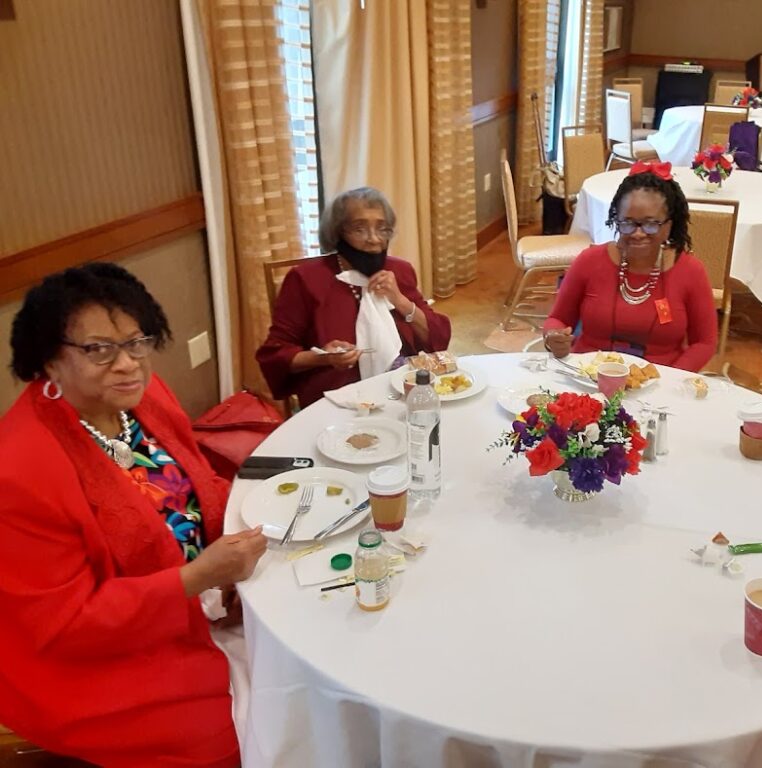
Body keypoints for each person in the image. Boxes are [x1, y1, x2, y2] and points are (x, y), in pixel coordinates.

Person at [0, 263, 267, 768]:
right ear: (49, 361)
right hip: (89, 661)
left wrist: (228, 561)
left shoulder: (143, 398)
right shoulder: (19, 469)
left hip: (197, 599)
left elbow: (196, 487)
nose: (128, 364)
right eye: (99, 349)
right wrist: (197, 578)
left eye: (137, 342)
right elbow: (67, 622)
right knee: (238, 731)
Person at [257, 187, 452, 408]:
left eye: (382, 229)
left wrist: (400, 301)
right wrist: (323, 357)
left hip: (401, 387)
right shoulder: (305, 279)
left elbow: (437, 337)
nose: (374, 240)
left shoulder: (399, 270)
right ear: (337, 233)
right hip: (338, 396)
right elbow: (275, 354)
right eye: (359, 229)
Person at [542, 161, 718, 372]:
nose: (637, 233)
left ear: (669, 225)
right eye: (628, 222)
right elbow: (558, 319)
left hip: (659, 381)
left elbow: (704, 343)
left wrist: (673, 380)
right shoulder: (589, 261)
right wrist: (553, 336)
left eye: (650, 224)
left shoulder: (690, 271)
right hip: (587, 375)